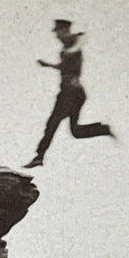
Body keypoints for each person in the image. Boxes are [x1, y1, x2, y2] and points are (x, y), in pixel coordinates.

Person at [24, 19, 115, 169]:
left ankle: (39, 156)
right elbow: (66, 66)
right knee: (75, 131)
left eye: (58, 32)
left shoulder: (73, 46)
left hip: (70, 94)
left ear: (65, 31)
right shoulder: (67, 49)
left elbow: (76, 49)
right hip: (75, 93)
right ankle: (103, 129)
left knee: (52, 123)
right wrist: (49, 65)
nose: (57, 37)